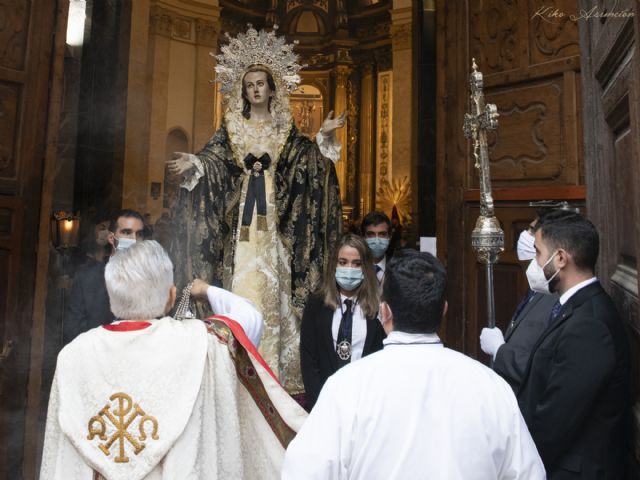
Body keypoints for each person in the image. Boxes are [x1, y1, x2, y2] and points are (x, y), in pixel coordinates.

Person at [166, 26, 343, 395]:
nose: (256, 89)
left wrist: (322, 138)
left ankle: (273, 373)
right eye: (249, 85)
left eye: (262, 83)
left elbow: (304, 162)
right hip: (240, 229)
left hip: (274, 227)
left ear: (273, 87)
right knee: (237, 284)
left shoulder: (284, 129)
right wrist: (197, 164)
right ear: (242, 90)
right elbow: (215, 161)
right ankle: (233, 369)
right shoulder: (232, 125)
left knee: (274, 289)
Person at [41, 241, 307, 479]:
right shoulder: (203, 343)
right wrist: (204, 290)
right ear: (171, 298)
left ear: (112, 299)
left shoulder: (73, 355)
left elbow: (60, 455)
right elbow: (250, 319)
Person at [283, 250, 545, 479]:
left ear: (384, 312)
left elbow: (306, 471)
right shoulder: (491, 387)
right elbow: (527, 472)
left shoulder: (346, 386)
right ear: (443, 310)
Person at [517, 210, 630, 478]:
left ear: (560, 258)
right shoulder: (573, 306)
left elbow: (558, 419)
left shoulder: (589, 325)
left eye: (538, 253)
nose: (535, 262)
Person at [299, 233, 385, 410]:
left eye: (357, 264)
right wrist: (320, 407)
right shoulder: (316, 304)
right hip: (325, 402)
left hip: (365, 404)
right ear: (334, 265)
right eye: (343, 262)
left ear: (365, 268)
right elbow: (309, 361)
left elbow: (381, 361)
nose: (349, 269)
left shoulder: (377, 308)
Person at [480, 212, 559, 392]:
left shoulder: (556, 294)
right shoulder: (537, 284)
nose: (524, 235)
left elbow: (543, 369)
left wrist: (500, 351)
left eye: (531, 230)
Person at [63, 209, 145, 345]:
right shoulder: (86, 279)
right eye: (126, 232)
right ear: (111, 238)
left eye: (139, 234)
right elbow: (72, 330)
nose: (134, 239)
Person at [360, 211, 392, 286]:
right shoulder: (354, 267)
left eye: (382, 234)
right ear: (363, 237)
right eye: (371, 234)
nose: (376, 240)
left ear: (390, 237)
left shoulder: (397, 269)